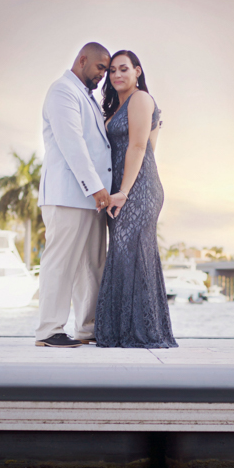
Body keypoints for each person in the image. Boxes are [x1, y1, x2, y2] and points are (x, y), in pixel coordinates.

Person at [35, 42, 114, 348]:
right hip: (68, 194)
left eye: (106, 70)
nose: (103, 75)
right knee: (61, 262)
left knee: (91, 265)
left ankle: (86, 327)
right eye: (100, 68)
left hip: (90, 199)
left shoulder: (88, 97)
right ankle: (49, 329)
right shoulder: (62, 91)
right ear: (82, 60)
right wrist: (96, 187)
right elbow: (72, 143)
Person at [96, 50, 178, 348]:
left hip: (137, 189)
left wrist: (123, 192)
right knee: (123, 255)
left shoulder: (141, 99)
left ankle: (141, 333)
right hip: (122, 190)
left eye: (124, 69)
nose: (117, 75)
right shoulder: (117, 107)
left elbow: (140, 147)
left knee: (132, 253)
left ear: (137, 71)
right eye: (112, 71)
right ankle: (122, 332)